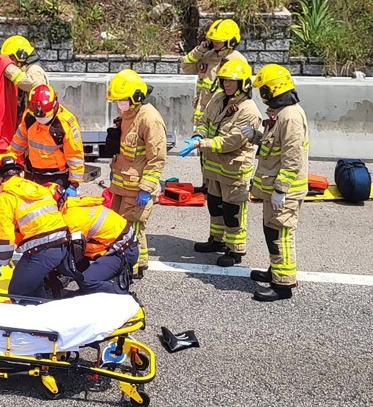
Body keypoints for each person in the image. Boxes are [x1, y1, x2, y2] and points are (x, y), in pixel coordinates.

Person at [179, 59, 262, 267]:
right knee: (215, 206)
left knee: (232, 211)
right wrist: (199, 134)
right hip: (215, 167)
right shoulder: (218, 99)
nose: (227, 84)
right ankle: (216, 240)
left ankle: (235, 250)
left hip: (234, 169)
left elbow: (230, 142)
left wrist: (200, 144)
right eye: (224, 80)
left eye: (232, 81)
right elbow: (205, 122)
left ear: (243, 83)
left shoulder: (249, 111)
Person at [243, 64, 310, 302]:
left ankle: (283, 285)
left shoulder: (290, 116)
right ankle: (275, 271)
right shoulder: (282, 114)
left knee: (280, 235)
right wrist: (256, 137)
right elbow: (274, 147)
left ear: (274, 89)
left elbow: (292, 158)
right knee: (271, 230)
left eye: (265, 90)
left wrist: (281, 190)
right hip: (274, 188)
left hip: (285, 190)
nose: (263, 96)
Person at [105, 69, 166, 279]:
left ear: (136, 97)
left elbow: (156, 158)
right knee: (120, 225)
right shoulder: (128, 114)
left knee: (132, 228)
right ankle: (138, 262)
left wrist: (147, 189)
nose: (119, 104)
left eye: (121, 100)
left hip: (137, 187)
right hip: (122, 184)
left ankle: (133, 266)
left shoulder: (150, 120)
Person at [0, 153, 69, 300]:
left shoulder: (5, 198)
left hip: (42, 249)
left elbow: (2, 233)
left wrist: (1, 259)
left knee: (17, 291)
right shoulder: (39, 188)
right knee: (33, 286)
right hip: (62, 243)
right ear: (22, 172)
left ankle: (37, 319)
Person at [6, 84, 84, 192]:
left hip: (57, 177)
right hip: (33, 173)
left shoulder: (66, 123)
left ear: (54, 106)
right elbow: (18, 142)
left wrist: (74, 184)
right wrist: (9, 161)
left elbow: (75, 155)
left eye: (45, 116)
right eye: (37, 117)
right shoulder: (29, 116)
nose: (40, 119)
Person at [59, 198, 138, 295]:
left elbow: (63, 252)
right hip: (120, 243)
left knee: (87, 280)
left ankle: (124, 296)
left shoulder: (71, 223)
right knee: (73, 261)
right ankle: (89, 291)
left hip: (123, 252)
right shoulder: (70, 206)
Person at [182, 18, 247, 126]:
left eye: (218, 41)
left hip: (219, 118)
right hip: (201, 119)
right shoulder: (207, 55)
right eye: (213, 40)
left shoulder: (237, 60)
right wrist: (199, 51)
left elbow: (241, 92)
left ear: (231, 41)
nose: (214, 43)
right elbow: (186, 67)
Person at [0, 34, 49, 111]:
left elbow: (31, 84)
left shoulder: (35, 69)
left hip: (36, 119)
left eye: (11, 58)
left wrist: (8, 68)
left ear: (21, 56)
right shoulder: (23, 70)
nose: (9, 61)